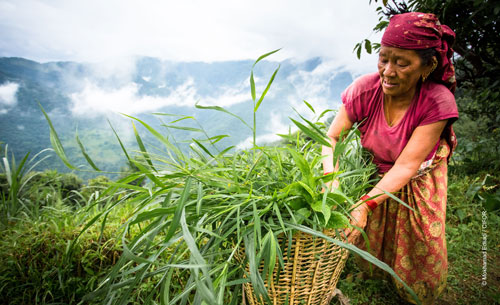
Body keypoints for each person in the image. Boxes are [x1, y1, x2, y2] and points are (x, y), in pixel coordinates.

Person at [321, 12, 458, 305]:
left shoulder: (437, 101)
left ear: (428, 65)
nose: (388, 71)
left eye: (402, 63)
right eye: (384, 59)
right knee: (375, 231)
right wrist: (330, 181)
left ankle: (419, 293)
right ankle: (377, 276)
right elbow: (330, 138)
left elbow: (408, 165)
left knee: (420, 240)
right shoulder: (364, 89)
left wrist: (365, 203)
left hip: (420, 174)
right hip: (378, 168)